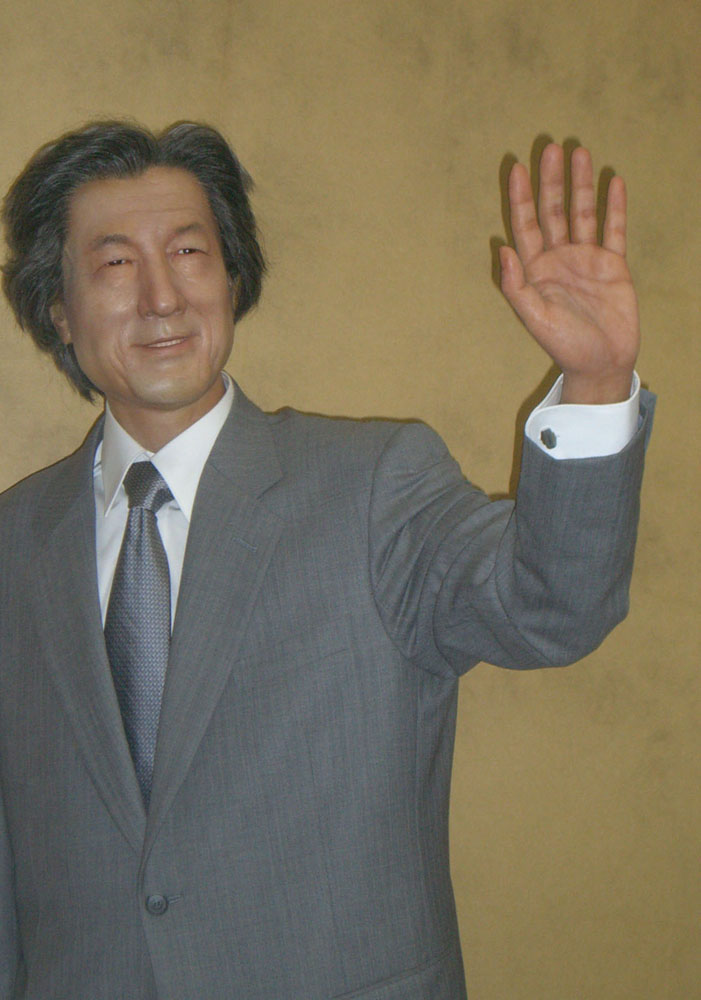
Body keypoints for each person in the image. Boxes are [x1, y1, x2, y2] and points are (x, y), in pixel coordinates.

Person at [0, 121, 653, 1000]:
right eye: (115, 262)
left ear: (232, 279)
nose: (161, 296)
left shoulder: (374, 487)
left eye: (189, 252)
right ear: (57, 309)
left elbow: (551, 607)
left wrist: (596, 385)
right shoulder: (14, 543)